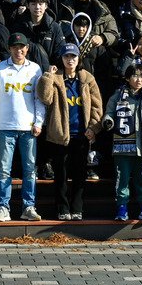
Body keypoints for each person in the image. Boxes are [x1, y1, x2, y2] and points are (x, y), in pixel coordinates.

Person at [0, 33, 46, 222]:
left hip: (28, 127)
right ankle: (3, 208)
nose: (19, 50)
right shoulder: (0, 67)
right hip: (5, 126)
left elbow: (39, 99)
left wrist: (38, 122)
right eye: (15, 47)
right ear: (9, 49)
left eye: (22, 47)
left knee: (30, 169)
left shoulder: (35, 69)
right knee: (4, 170)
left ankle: (29, 207)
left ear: (27, 48)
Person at [37, 42, 103, 220]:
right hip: (60, 134)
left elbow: (97, 107)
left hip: (82, 134)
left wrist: (93, 128)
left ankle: (77, 208)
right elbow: (45, 98)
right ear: (61, 58)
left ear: (78, 58)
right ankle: (62, 209)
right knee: (61, 175)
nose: (70, 60)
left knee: (80, 174)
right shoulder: (56, 77)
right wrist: (47, 77)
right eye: (66, 56)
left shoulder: (87, 78)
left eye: (73, 56)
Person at [102, 62, 142, 222]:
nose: (139, 79)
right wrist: (108, 121)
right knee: (123, 178)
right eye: (135, 75)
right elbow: (109, 113)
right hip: (123, 146)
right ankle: (122, 207)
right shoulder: (118, 95)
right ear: (127, 78)